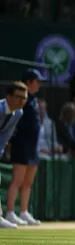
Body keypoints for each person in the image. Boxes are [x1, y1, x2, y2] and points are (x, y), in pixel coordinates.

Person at [6, 70, 44, 226]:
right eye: (37, 81)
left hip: (33, 147)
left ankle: (23, 211)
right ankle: (9, 212)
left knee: (28, 182)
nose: (39, 85)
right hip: (21, 145)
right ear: (29, 82)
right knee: (17, 180)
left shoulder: (33, 100)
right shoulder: (20, 101)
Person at [0, 82, 28, 228]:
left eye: (24, 98)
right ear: (9, 96)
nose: (22, 101)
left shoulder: (18, 112)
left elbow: (5, 135)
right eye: (19, 97)